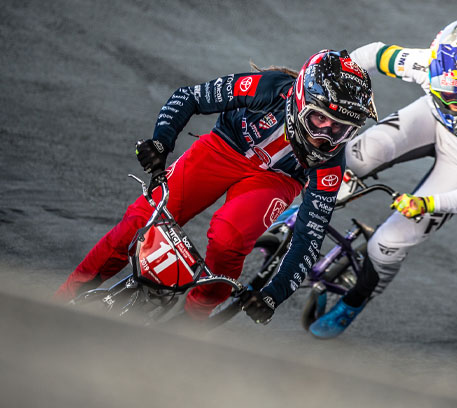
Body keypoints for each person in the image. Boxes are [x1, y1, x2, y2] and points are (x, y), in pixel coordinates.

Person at [55, 50, 377, 324]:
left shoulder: (331, 164)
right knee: (137, 224)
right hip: (224, 148)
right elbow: (189, 97)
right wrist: (161, 141)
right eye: (320, 120)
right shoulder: (267, 88)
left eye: (340, 129)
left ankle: (193, 321)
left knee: (229, 238)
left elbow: (309, 236)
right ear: (300, 100)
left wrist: (273, 295)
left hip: (277, 179)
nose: (326, 137)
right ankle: (59, 302)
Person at [309, 19, 457, 338]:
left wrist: (426, 203)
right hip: (428, 120)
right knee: (352, 156)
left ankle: (354, 302)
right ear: (433, 69)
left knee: (386, 243)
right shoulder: (424, 63)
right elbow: (371, 56)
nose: (454, 106)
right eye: (446, 95)